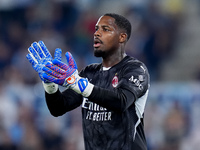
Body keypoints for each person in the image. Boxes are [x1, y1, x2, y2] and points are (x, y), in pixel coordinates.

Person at [26, 13, 150, 150]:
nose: (96, 33)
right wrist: (50, 85)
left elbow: (121, 101)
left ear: (122, 37)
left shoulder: (135, 69)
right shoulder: (90, 73)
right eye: (96, 29)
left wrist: (79, 85)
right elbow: (58, 108)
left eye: (105, 29)